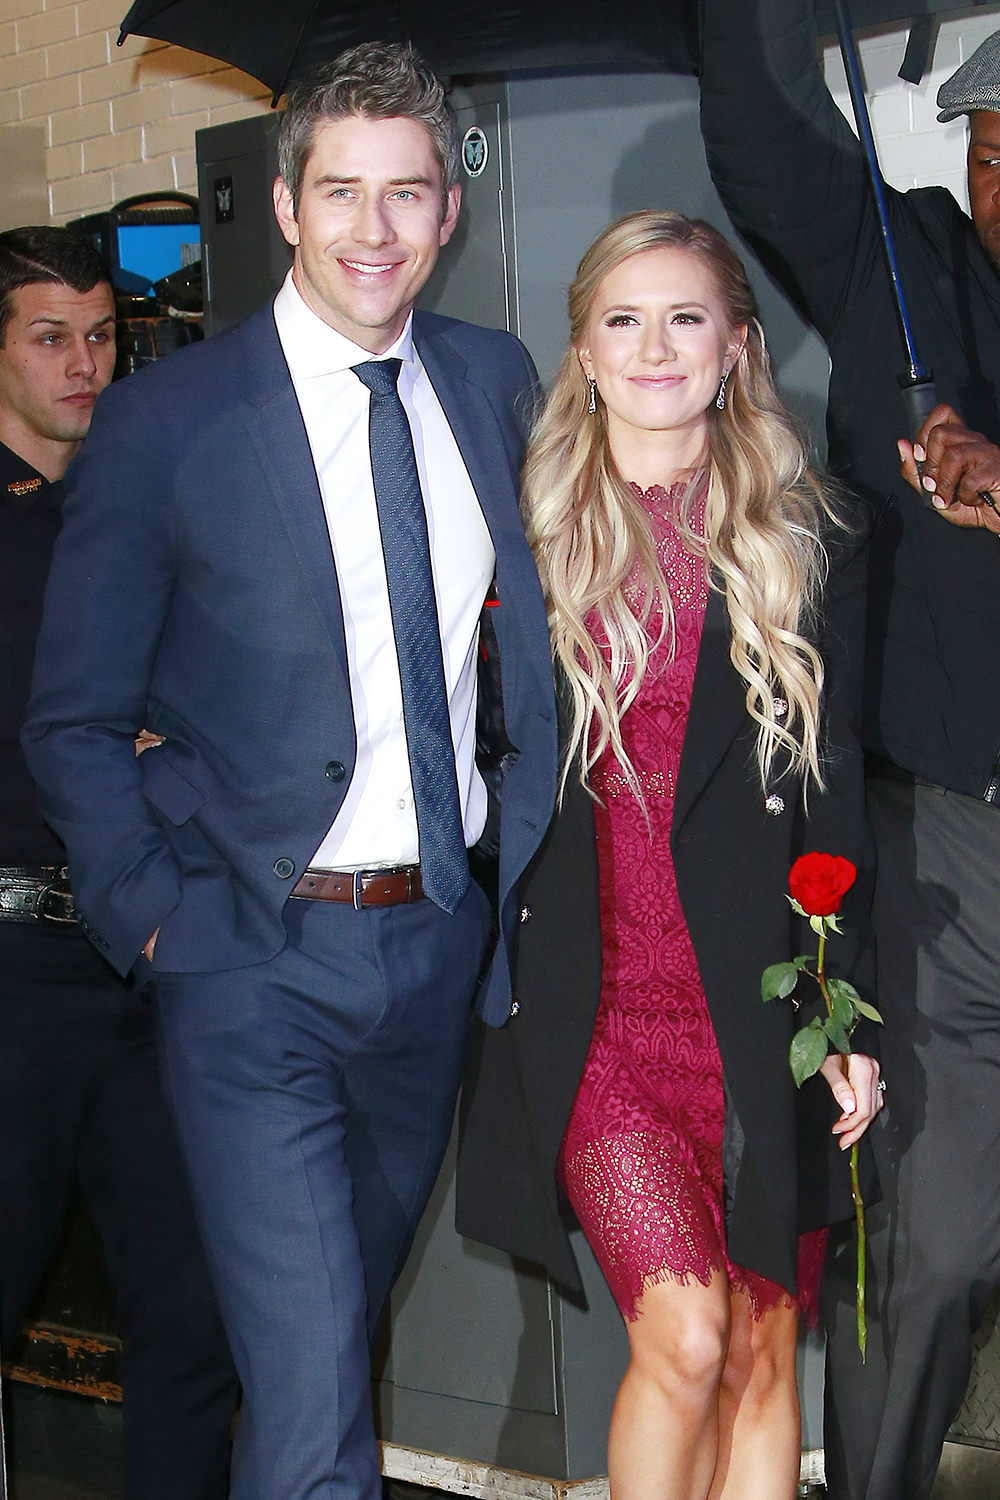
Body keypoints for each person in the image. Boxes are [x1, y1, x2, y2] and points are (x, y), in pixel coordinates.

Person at [22, 44, 557, 1500]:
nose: (372, 230)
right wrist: (156, 922)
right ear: (283, 201)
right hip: (250, 962)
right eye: (341, 193)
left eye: (405, 194)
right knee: (321, 1411)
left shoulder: (493, 382)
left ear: (451, 211)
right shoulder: (167, 424)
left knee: (317, 1362)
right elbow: (71, 719)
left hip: (435, 953)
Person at [456, 210, 881, 1500]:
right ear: (580, 349)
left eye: (685, 317)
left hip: (761, 1010)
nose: (655, 347)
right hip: (598, 1021)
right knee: (686, 1337)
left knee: (761, 1348)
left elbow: (839, 799)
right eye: (622, 320)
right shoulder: (514, 547)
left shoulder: (807, 540)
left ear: (736, 347)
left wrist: (854, 1015)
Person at [699, 5, 1000, 1495]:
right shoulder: (915, 274)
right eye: (995, 152)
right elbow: (763, 149)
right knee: (935, 1239)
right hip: (953, 849)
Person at [0, 225, 237, 1499]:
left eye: (103, 334)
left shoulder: (147, 501)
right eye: (51, 337)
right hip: (15, 962)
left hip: (147, 959)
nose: (85, 363)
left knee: (190, 1313)